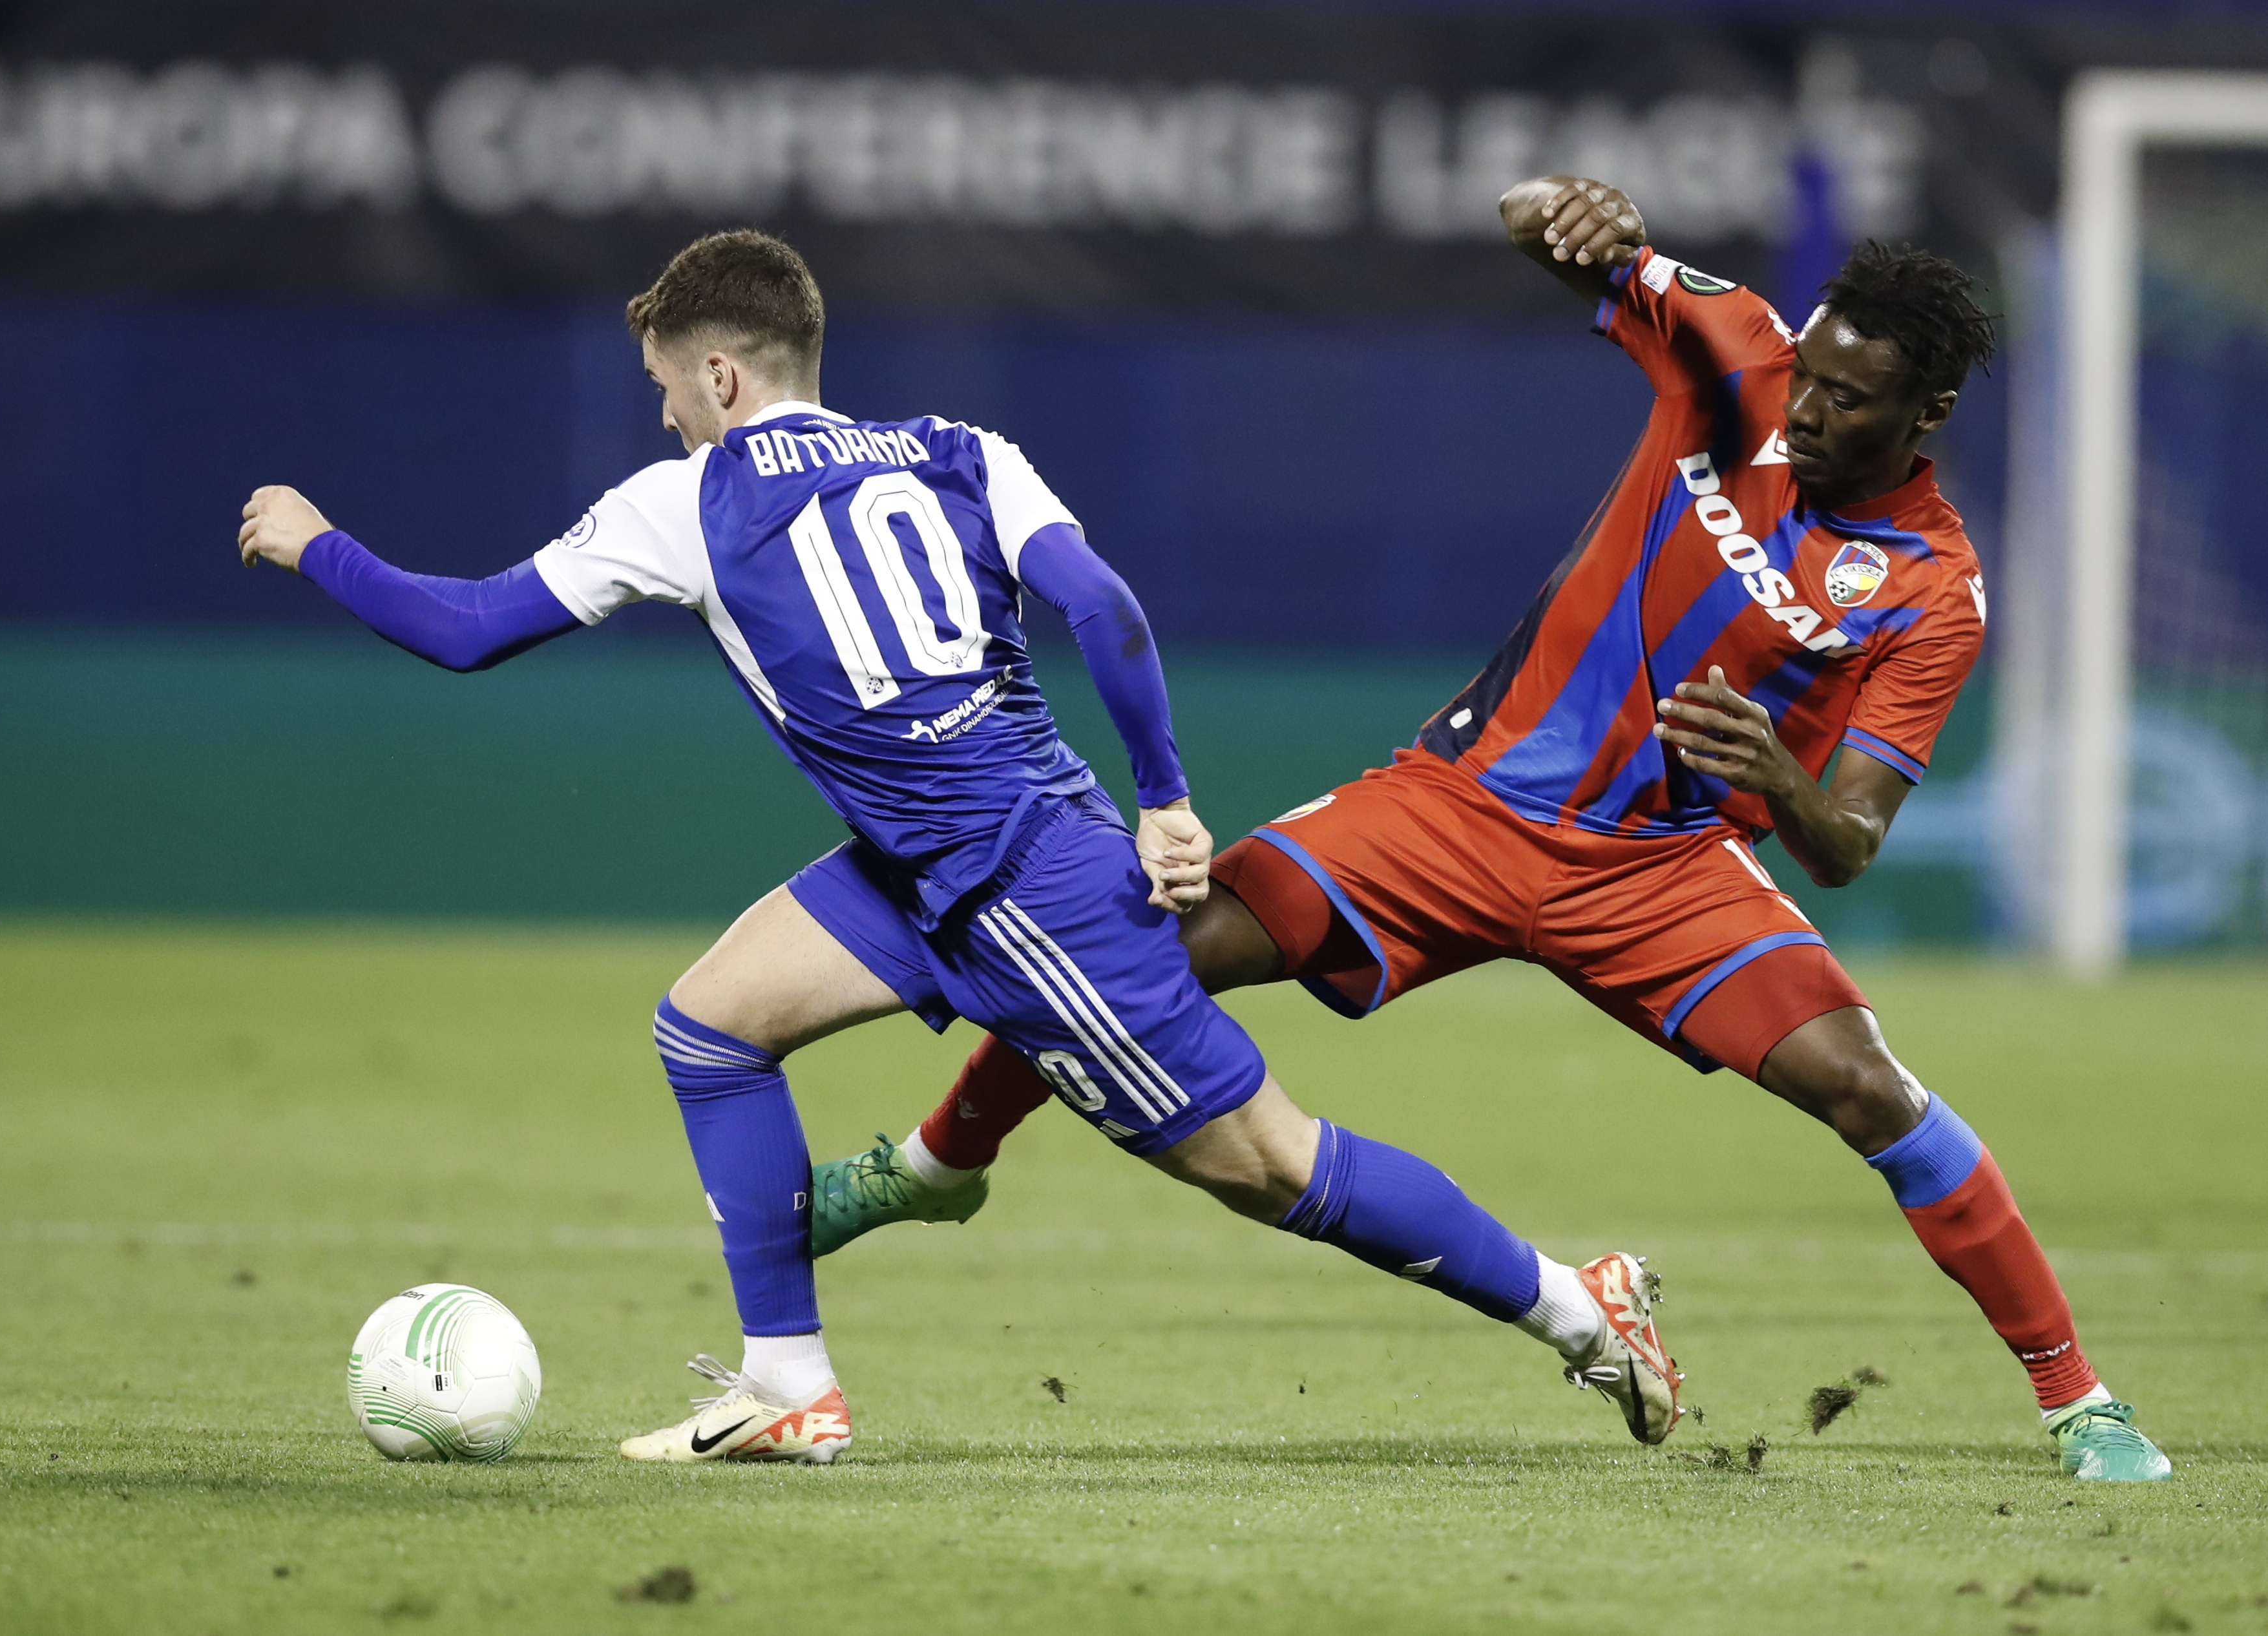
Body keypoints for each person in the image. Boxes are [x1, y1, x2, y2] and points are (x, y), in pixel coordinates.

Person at [237, 227, 1689, 1463]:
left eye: (668, 388)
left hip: (1019, 891)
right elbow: (1106, 610)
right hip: (941, 862)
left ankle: (1580, 1303)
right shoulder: (963, 452)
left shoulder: (685, 501)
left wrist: (316, 544)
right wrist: (1167, 790)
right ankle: (789, 1389)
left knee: (1268, 1166)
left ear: (722, 375)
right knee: (710, 1027)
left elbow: (470, 629)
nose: (665, 415)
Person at [814, 177, 2172, 1484]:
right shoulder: (1735, 352)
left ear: (1926, 415)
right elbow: (1535, 221)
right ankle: (941, 1166)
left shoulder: (1934, 590)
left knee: (1873, 1090)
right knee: (1124, 946)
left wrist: (1779, 782)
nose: (1806, 411)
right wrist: (1571, 207)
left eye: (1850, 400)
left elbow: (1851, 839)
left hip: (1662, 870)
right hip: (1459, 807)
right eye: (1810, 374)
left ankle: (2081, 1401)